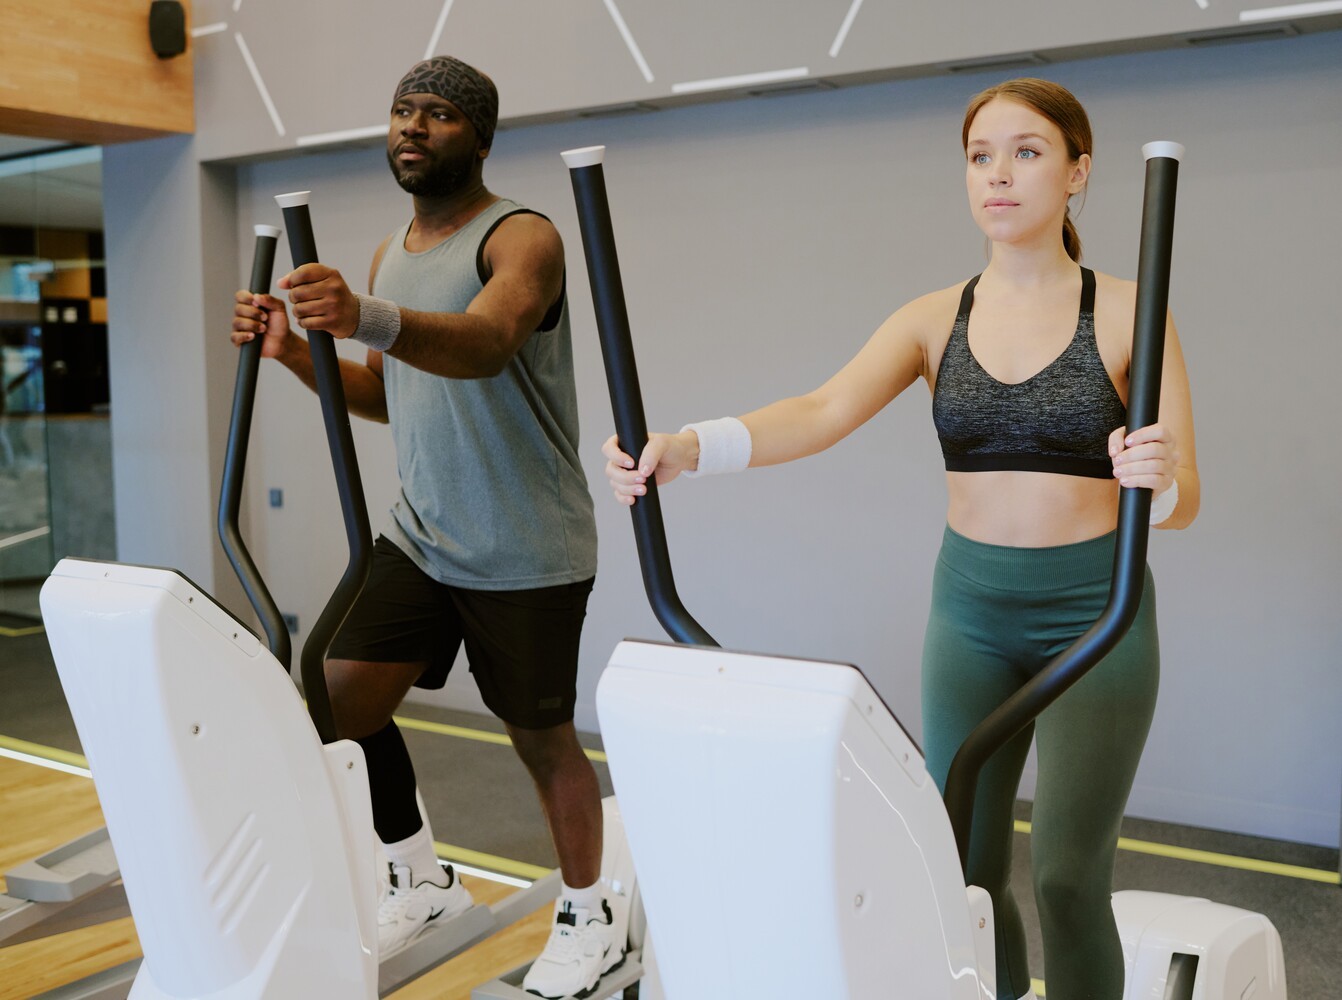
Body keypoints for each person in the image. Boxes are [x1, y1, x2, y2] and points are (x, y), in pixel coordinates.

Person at [602, 78, 1198, 1000]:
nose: (998, 174)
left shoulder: (1127, 313)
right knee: (962, 868)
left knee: (1070, 880)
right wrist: (688, 448)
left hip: (1098, 614)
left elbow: (1187, 493)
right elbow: (822, 409)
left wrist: (1154, 489)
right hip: (971, 614)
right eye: (980, 155)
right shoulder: (934, 318)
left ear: (1078, 172)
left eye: (1027, 152)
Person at [232, 55, 622, 1000]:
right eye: (402, 110)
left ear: (479, 138)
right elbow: (393, 393)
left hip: (525, 543)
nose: (412, 126)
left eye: (438, 114)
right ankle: (420, 873)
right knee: (333, 698)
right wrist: (293, 352)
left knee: (540, 738)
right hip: (421, 535)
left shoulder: (521, 237)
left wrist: (362, 316)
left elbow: (486, 345)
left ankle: (590, 915)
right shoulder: (391, 252)